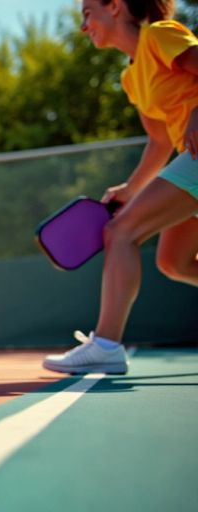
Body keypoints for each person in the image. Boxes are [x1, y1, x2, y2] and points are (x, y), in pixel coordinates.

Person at [44, 0, 198, 374]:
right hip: (188, 155)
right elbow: (159, 142)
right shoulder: (131, 77)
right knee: (173, 262)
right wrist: (131, 188)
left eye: (87, 13)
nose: (83, 26)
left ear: (114, 7)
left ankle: (107, 345)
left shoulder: (161, 35)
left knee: (121, 231)